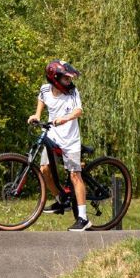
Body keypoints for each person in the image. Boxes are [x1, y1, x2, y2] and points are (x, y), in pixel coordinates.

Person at [30, 60, 91, 231]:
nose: (69, 82)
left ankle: (83, 218)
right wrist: (37, 115)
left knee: (74, 176)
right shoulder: (45, 89)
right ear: (55, 77)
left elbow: (78, 110)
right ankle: (61, 200)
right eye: (66, 79)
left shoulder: (72, 92)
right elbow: (42, 99)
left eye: (70, 79)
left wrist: (66, 118)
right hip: (53, 135)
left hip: (70, 140)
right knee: (44, 170)